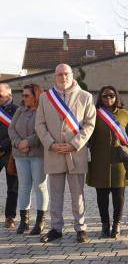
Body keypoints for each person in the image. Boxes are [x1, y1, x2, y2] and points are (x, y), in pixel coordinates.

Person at [35, 64, 96, 243]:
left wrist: (74, 144)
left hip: (75, 152)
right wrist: (51, 144)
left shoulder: (85, 96)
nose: (63, 77)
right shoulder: (46, 98)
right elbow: (39, 124)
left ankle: (81, 228)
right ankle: (56, 228)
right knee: (55, 193)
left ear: (72, 75)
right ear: (55, 76)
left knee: (78, 194)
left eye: (66, 74)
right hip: (54, 152)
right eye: (60, 74)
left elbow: (89, 124)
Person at [87, 86, 128, 239]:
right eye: (105, 96)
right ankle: (105, 225)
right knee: (101, 197)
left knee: (118, 196)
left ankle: (117, 225)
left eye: (112, 96)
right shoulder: (93, 114)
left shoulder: (125, 114)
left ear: (117, 97)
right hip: (98, 161)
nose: (108, 99)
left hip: (119, 162)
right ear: (100, 97)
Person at [8, 84, 49, 235]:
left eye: (27, 95)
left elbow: (43, 131)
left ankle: (40, 221)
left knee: (40, 186)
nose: (23, 98)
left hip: (38, 154)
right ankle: (24, 221)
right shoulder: (20, 110)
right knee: (24, 186)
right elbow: (11, 129)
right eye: (23, 95)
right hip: (20, 154)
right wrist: (19, 143)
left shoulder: (43, 111)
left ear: (35, 95)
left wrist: (28, 142)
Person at [0, 83, 19, 229]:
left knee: (12, 187)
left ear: (9, 95)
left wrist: (2, 146)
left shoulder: (17, 110)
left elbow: (16, 132)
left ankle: (9, 217)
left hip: (10, 153)